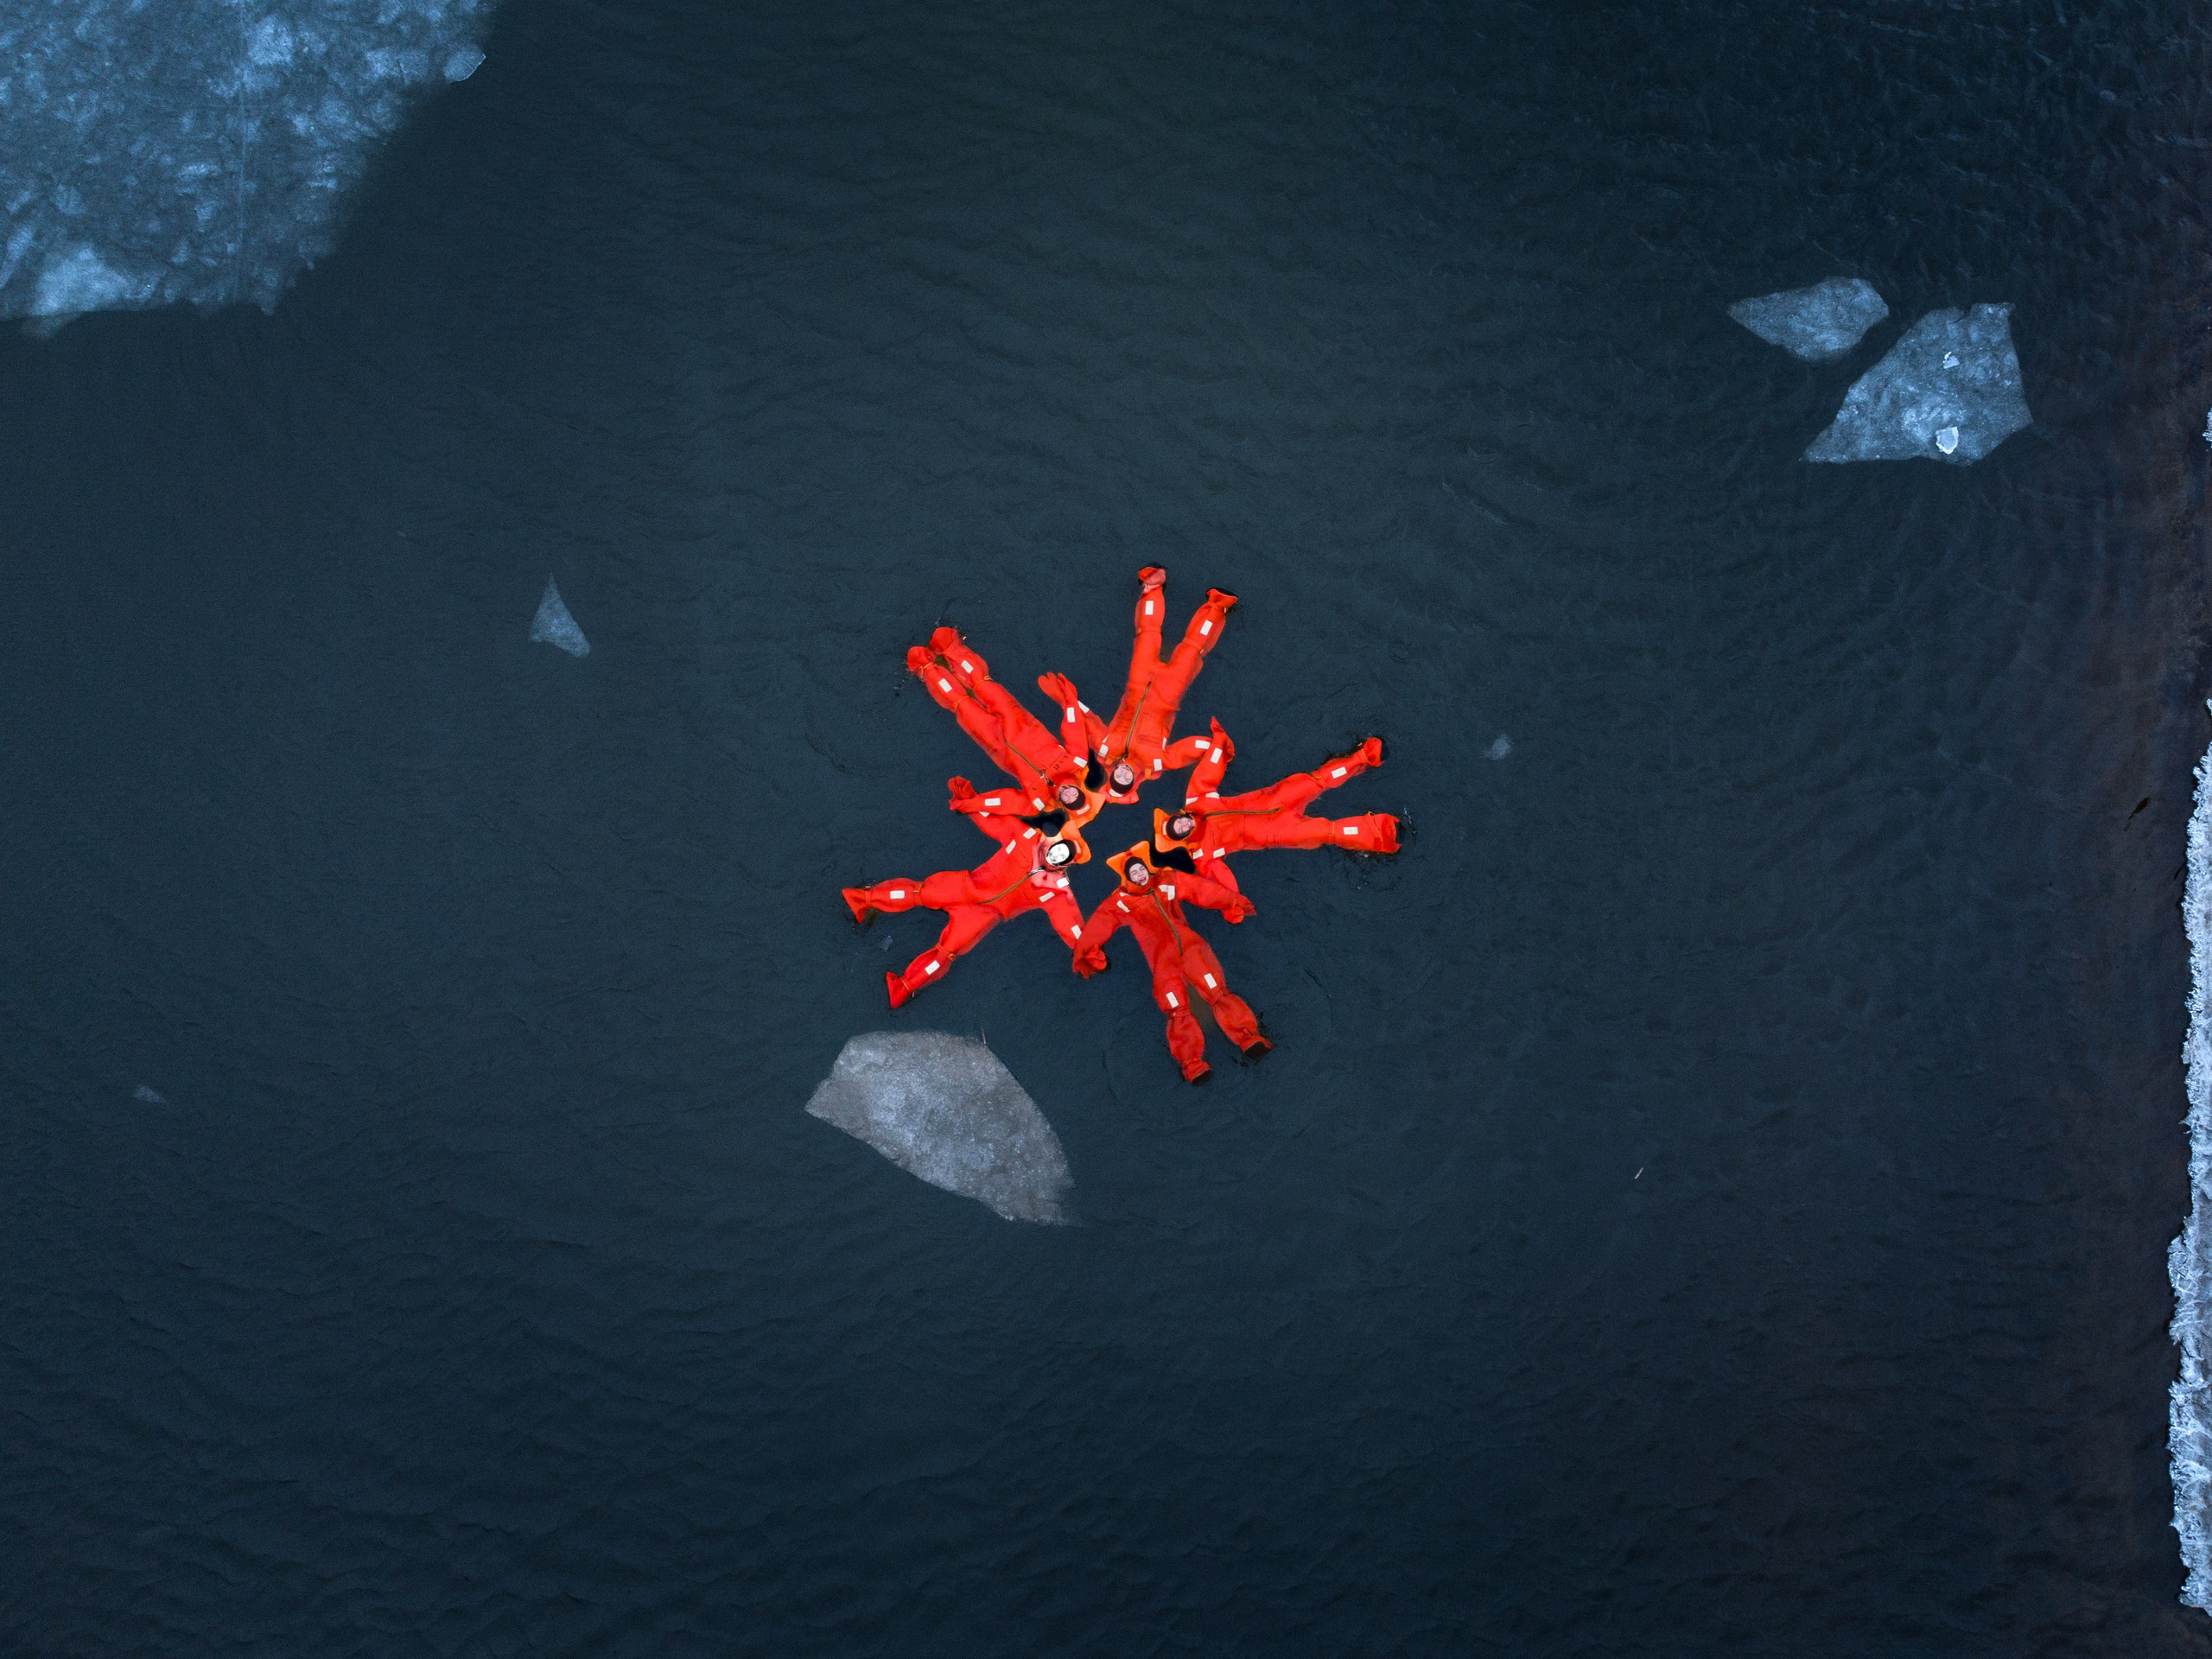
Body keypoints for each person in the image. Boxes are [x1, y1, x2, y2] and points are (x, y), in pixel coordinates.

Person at [844, 810, 1085, 1007]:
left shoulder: (1055, 889)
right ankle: (862, 898)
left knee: (947, 951)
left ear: (1065, 864)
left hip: (983, 916)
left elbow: (1067, 919)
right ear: (1056, 842)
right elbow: (997, 823)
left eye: (1063, 856)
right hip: (967, 886)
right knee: (921, 893)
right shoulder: (1027, 839)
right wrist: (971, 804)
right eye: (1060, 848)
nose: (1057, 854)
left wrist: (1084, 949)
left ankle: (904, 987)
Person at [1071, 843, 1268, 1083]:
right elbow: (1100, 924)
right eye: (1133, 873)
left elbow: (1201, 890)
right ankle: (1192, 1064)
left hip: (1192, 949)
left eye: (1141, 870)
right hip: (1163, 962)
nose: (1140, 875)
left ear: (1147, 869)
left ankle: (1249, 1037)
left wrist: (1232, 902)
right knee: (1177, 1010)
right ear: (1127, 878)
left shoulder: (1167, 882)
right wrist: (1085, 954)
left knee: (1217, 991)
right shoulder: (1122, 902)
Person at [1045, 569, 1236, 805]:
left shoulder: (1106, 750)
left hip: (1138, 683)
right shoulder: (1156, 763)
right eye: (1126, 780)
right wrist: (1219, 746)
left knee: (1147, 636)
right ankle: (1217, 606)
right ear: (1133, 782)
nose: (1123, 774)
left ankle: (1152, 588)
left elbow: (1086, 721)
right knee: (1191, 650)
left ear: (1113, 774)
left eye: (1117, 777)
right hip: (1168, 693)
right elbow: (1191, 749)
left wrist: (1065, 699)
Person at [1152, 725, 1396, 893]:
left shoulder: (1196, 800)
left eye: (1177, 822)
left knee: (1316, 780)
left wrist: (1218, 745)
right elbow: (1221, 882)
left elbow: (1208, 772)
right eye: (1179, 830)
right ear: (1182, 839)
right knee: (1326, 831)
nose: (1182, 825)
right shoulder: (1202, 853)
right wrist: (1232, 903)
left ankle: (1362, 757)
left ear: (1177, 816)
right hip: (1278, 831)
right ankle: (1379, 834)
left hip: (1274, 798)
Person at [906, 627, 1083, 799]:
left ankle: (926, 667)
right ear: (1079, 790)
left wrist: (972, 804)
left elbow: (1006, 802)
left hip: (996, 742)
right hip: (1020, 722)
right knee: (984, 685)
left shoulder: (1040, 798)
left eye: (1068, 800)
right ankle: (951, 648)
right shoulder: (1077, 762)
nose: (1068, 794)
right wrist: (1069, 701)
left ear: (1063, 804)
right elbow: (1074, 728)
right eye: (1075, 795)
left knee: (962, 705)